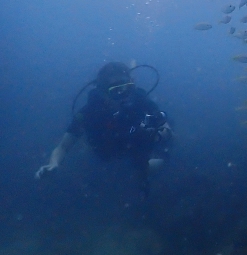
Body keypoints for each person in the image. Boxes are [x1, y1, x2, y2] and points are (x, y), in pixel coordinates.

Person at [36, 62, 172, 187]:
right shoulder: (90, 112)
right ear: (102, 93)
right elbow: (63, 146)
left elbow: (165, 126)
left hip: (135, 146)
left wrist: (162, 134)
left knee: (153, 158)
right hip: (106, 151)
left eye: (127, 89)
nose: (124, 96)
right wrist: (53, 164)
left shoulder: (140, 100)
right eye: (116, 91)